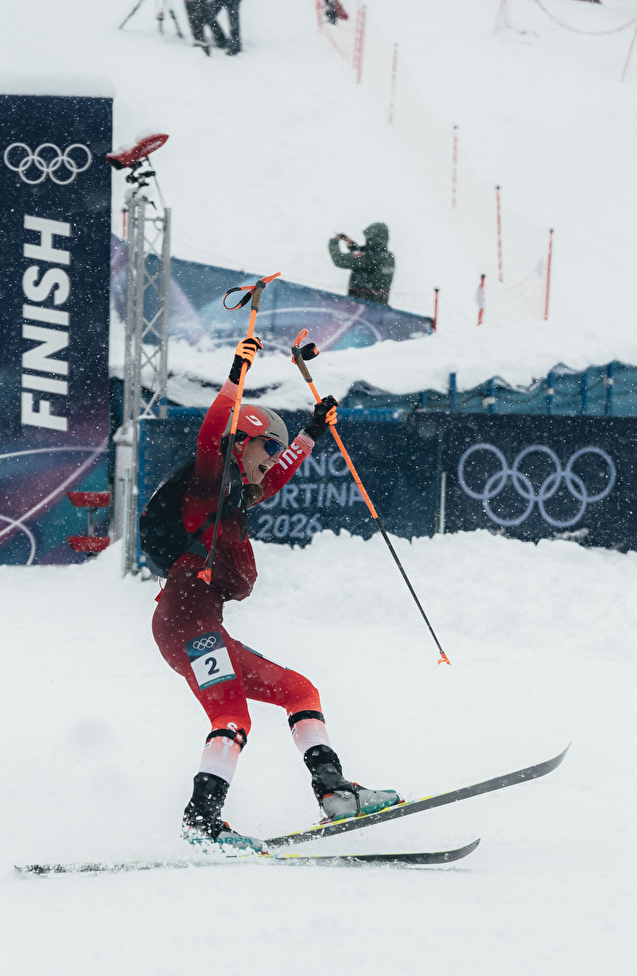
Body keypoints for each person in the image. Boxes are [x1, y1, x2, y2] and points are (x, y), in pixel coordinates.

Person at [151, 336, 400, 854]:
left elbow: (277, 475)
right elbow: (211, 431)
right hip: (185, 626)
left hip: (205, 628)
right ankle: (201, 823)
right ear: (243, 441)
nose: (271, 465)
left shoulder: (239, 494)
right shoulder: (209, 481)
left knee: (299, 689)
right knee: (232, 716)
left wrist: (311, 432)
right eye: (267, 449)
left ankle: (333, 791)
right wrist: (238, 371)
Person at [328, 222, 396, 306]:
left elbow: (339, 260)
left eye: (368, 237)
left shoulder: (369, 257)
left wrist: (334, 241)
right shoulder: (389, 257)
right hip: (379, 306)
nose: (366, 239)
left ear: (373, 238)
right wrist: (352, 245)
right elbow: (365, 257)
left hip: (360, 306)